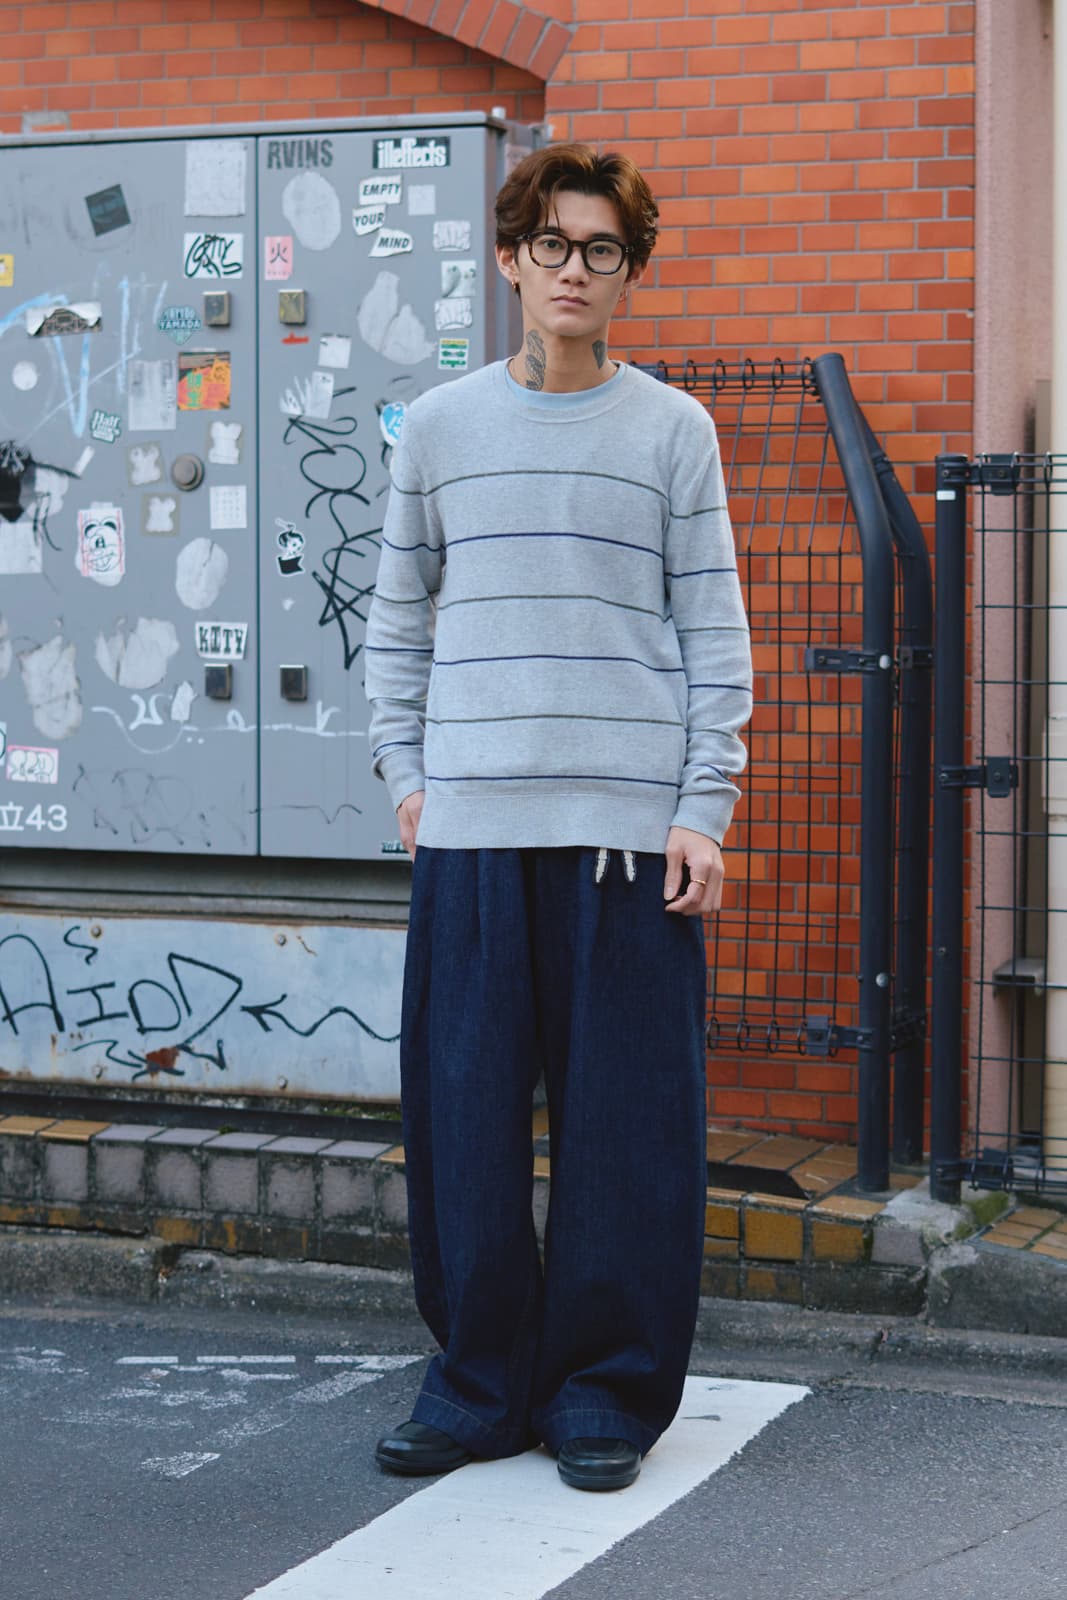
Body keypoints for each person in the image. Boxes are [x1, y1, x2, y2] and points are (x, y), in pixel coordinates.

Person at [363, 142, 752, 1493]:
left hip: (625, 839)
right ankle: (477, 1384)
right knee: (462, 1123)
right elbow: (398, 619)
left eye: (603, 250)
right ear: (510, 258)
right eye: (552, 243)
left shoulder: (673, 431)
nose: (574, 269)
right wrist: (406, 777)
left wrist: (704, 806)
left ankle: (601, 1394)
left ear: (629, 273)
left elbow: (714, 633)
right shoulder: (441, 429)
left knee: (627, 1129)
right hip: (469, 829)